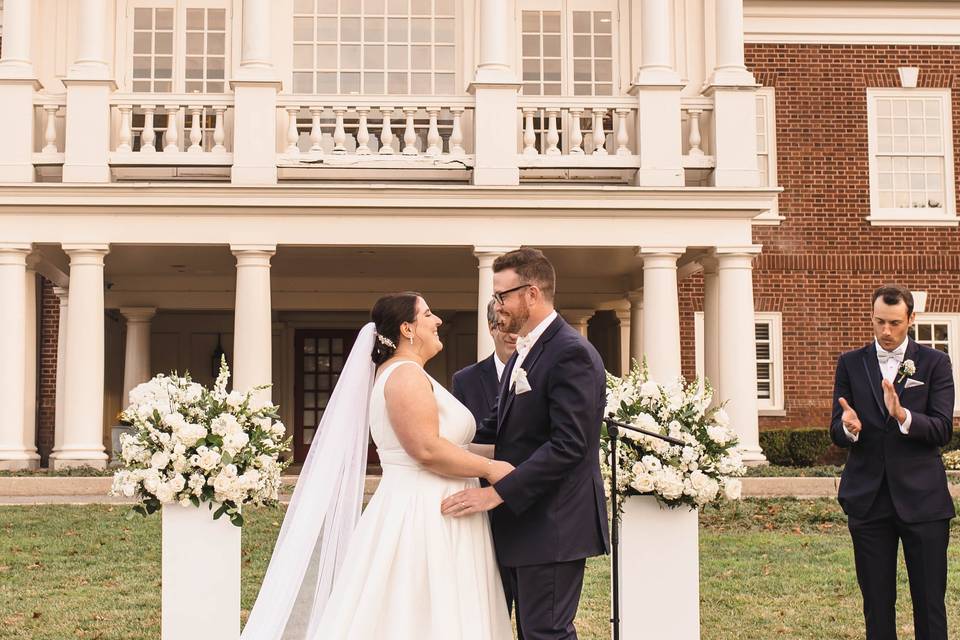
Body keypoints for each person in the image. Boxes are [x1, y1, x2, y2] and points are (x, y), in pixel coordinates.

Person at [240, 292, 514, 640]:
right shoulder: (405, 377)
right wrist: (493, 471)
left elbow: (448, 443)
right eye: (428, 314)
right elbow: (426, 449)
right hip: (424, 512)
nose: (438, 321)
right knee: (416, 609)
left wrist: (510, 455)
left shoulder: (408, 373)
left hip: (442, 504)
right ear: (407, 328)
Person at [443, 247, 610, 640]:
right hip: (524, 523)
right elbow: (494, 430)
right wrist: (438, 450)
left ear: (531, 294)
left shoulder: (571, 353)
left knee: (545, 633)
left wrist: (497, 493)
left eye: (502, 295)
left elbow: (570, 445)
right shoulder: (526, 350)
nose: (496, 306)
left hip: (554, 524)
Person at [830, 284, 955, 640]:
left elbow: (943, 428)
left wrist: (903, 415)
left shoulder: (935, 363)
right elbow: (836, 430)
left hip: (924, 502)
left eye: (895, 323)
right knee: (876, 605)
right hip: (868, 502)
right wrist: (848, 428)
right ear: (871, 317)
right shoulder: (850, 363)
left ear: (911, 319)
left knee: (930, 604)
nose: (886, 331)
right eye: (879, 322)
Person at [452, 299, 518, 616]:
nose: (514, 334)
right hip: (485, 511)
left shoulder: (545, 373)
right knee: (489, 609)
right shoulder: (465, 380)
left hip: (533, 506)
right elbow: (465, 440)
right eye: (505, 325)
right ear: (491, 328)